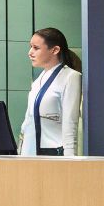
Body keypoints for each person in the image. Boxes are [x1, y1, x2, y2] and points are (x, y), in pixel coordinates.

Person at [18, 27, 83, 156]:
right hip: (29, 153)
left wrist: (71, 162)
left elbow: (70, 125)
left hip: (54, 153)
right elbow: (27, 122)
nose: (30, 52)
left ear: (55, 50)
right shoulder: (38, 81)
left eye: (36, 48)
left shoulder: (71, 77)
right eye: (31, 47)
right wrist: (19, 151)